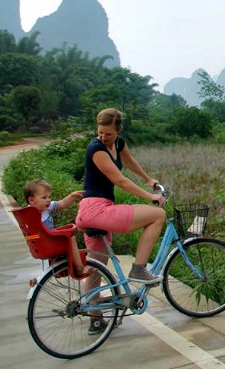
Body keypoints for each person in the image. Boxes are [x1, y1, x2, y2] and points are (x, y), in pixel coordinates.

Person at [75, 108, 166, 334]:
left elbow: (131, 163)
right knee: (158, 215)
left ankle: (95, 320)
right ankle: (138, 269)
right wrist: (150, 197)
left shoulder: (119, 144)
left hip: (91, 212)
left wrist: (148, 180)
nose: (103, 137)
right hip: (97, 208)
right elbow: (120, 180)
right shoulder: (95, 148)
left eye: (108, 134)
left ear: (118, 130)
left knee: (97, 268)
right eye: (100, 132)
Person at [23, 179, 90, 275]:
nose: (48, 200)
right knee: (71, 239)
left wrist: (72, 196)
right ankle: (80, 268)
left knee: (67, 239)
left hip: (47, 241)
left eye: (49, 197)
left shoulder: (44, 208)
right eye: (44, 197)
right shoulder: (31, 213)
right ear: (31, 200)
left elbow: (61, 204)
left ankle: (61, 266)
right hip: (47, 242)